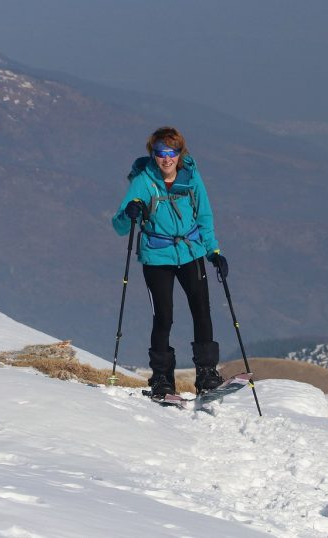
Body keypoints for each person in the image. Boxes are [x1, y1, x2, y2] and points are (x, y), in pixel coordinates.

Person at [112, 126, 230, 398]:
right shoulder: (142, 181)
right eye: (160, 153)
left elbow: (204, 217)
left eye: (172, 153)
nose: (166, 159)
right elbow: (119, 226)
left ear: (180, 153)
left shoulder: (191, 178)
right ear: (152, 154)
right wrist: (130, 213)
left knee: (202, 311)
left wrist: (214, 252)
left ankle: (207, 374)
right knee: (163, 317)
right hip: (157, 256)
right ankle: (162, 379)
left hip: (191, 252)